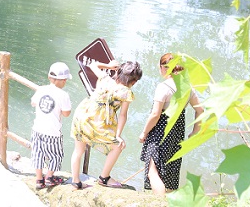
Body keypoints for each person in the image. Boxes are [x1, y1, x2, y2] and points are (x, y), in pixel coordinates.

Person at [70, 59, 143, 189]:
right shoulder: (127, 93)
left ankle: (76, 181)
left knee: (78, 150)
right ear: (134, 82)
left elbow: (93, 64)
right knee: (118, 146)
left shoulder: (105, 78)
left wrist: (109, 66)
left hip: (82, 115)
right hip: (97, 122)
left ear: (118, 72)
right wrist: (118, 135)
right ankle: (104, 178)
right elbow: (123, 115)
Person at [139, 53, 204, 195]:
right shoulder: (188, 88)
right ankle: (169, 200)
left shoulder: (163, 87)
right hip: (177, 132)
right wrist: (195, 131)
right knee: (169, 172)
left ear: (164, 68)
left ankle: (161, 203)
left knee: (152, 172)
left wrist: (144, 132)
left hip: (160, 132)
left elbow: (155, 114)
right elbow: (200, 110)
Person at [30, 62, 72, 189]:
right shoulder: (63, 95)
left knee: (38, 153)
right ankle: (49, 177)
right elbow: (66, 113)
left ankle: (39, 179)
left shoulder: (41, 89)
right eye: (65, 80)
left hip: (37, 129)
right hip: (53, 132)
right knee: (56, 155)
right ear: (63, 80)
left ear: (49, 77)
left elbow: (33, 103)